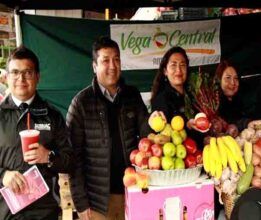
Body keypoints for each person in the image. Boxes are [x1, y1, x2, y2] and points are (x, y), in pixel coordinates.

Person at [67, 36, 157, 220]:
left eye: (116, 59)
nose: (112, 66)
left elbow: (146, 132)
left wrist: (154, 121)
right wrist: (81, 203)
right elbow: (73, 157)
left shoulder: (131, 95)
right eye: (105, 60)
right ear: (94, 66)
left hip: (132, 189)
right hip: (97, 200)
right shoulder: (81, 103)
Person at [0, 46, 73, 219]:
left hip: (45, 213)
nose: (21, 78)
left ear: (37, 77)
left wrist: (48, 157)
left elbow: (70, 161)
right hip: (6, 213)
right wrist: (3, 175)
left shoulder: (53, 116)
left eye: (28, 72)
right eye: (15, 72)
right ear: (7, 77)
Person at [215, 60, 261, 131]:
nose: (233, 83)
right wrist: (247, 123)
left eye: (236, 78)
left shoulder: (244, 98)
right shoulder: (213, 103)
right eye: (228, 78)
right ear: (219, 80)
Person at [151, 46, 189, 122]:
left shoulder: (194, 95)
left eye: (182, 65)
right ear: (165, 71)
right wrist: (188, 126)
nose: (178, 70)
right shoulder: (161, 100)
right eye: (173, 65)